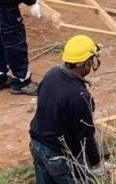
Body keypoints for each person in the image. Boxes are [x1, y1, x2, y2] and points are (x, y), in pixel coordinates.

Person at [29, 35, 104, 184]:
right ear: (85, 63)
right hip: (57, 154)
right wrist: (95, 163)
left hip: (37, 144)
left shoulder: (52, 74)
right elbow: (85, 135)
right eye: (91, 60)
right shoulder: (79, 96)